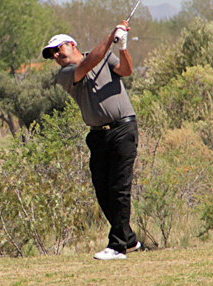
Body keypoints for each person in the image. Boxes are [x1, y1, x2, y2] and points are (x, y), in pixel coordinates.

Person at [41, 22, 140, 260]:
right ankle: (128, 239)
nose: (55, 55)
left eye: (58, 49)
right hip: (97, 135)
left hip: (123, 129)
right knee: (103, 191)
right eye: (52, 54)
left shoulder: (103, 57)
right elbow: (88, 64)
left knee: (119, 188)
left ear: (71, 44)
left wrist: (122, 47)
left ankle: (117, 246)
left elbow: (126, 71)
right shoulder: (66, 74)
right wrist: (110, 39)